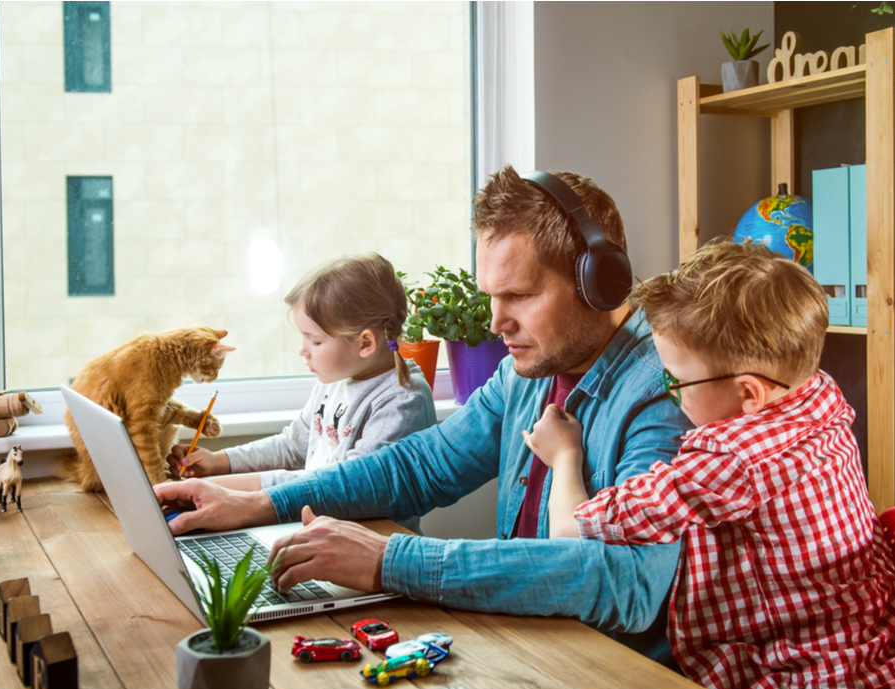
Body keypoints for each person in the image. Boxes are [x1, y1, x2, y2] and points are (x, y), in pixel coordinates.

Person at [154, 166, 691, 650]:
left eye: (520, 296)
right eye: (490, 296)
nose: (495, 321)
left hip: (615, 673)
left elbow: (628, 581)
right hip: (532, 643)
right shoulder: (525, 374)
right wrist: (257, 505)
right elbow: (421, 466)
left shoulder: (667, 391)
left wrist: (390, 560)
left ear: (599, 283)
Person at [535, 239, 895, 689]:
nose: (670, 396)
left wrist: (565, 457)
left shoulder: (731, 462)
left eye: (676, 381)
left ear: (749, 394)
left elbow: (571, 528)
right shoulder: (815, 394)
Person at [168, 254, 436, 496]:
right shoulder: (336, 379)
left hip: (367, 540)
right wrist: (220, 462)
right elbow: (292, 446)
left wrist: (223, 488)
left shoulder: (403, 401)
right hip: (314, 528)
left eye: (315, 341)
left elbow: (345, 485)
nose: (302, 350)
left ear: (365, 344)